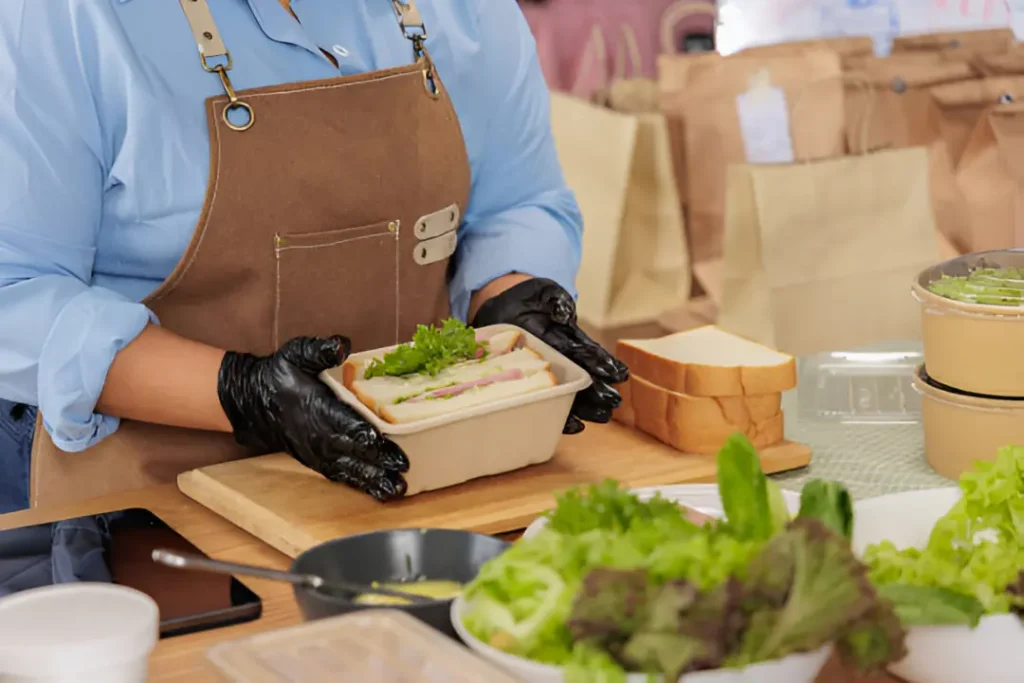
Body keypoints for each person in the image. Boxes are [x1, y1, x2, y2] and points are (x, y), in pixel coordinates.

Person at [0, 0, 629, 514]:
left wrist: (513, 296)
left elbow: (520, 199)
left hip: (423, 484)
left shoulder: (466, 12)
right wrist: (243, 393)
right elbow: (16, 290)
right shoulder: (65, 17)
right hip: (150, 510)